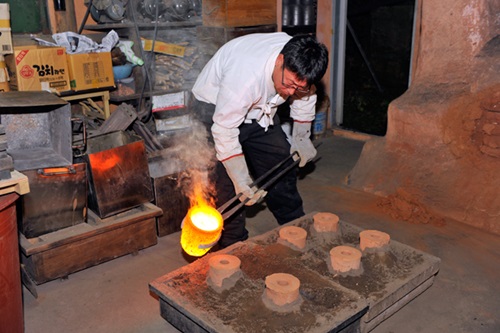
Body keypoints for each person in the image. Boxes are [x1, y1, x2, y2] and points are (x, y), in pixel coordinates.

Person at [192, 32, 329, 248]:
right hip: (215, 108)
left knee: (279, 162)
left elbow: (306, 95)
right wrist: (240, 177)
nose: (291, 92)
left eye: (298, 88)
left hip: (259, 111)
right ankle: (233, 245)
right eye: (289, 84)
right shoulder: (244, 77)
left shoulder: (301, 64)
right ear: (280, 60)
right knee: (226, 185)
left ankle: (294, 224)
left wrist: (301, 136)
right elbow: (225, 128)